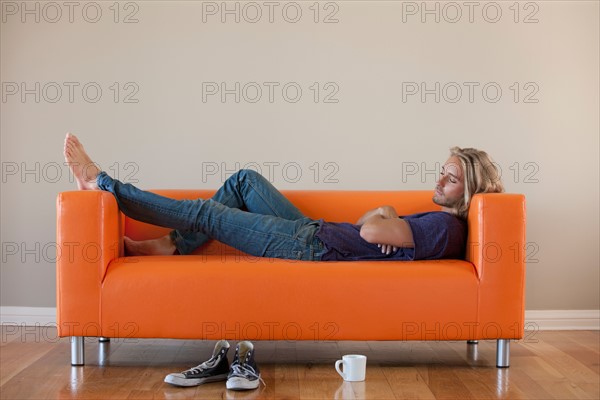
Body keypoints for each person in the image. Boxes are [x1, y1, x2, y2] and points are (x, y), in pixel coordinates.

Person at [63, 133, 504, 389]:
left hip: (309, 245)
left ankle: (103, 182)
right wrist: (383, 218)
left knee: (209, 213)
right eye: (441, 171)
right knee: (243, 181)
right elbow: (373, 225)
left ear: (469, 190)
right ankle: (173, 244)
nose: (440, 179)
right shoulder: (437, 222)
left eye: (452, 177)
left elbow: (370, 228)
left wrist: (385, 213)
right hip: (318, 230)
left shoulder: (445, 228)